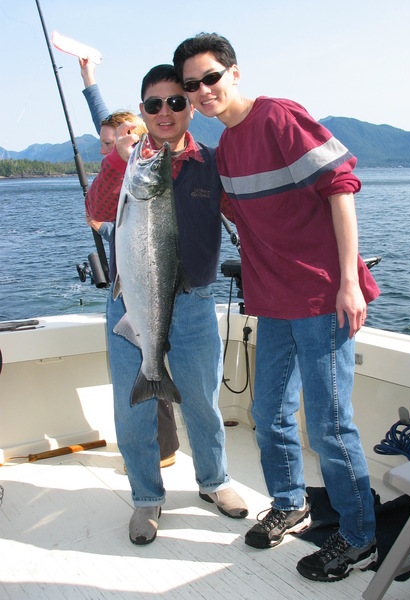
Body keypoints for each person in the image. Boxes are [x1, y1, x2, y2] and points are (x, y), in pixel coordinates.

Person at [173, 34, 380, 582]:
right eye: (192, 85)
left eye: (211, 77)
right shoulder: (224, 150)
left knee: (330, 425)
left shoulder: (278, 117)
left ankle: (360, 537)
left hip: (322, 298)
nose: (203, 90)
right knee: (268, 414)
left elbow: (341, 187)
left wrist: (349, 283)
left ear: (234, 73)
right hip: (273, 303)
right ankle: (290, 503)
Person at [85, 64, 248, 546]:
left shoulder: (211, 163)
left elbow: (246, 215)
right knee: (132, 410)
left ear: (190, 108)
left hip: (195, 301)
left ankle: (214, 481)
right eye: (154, 104)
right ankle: (146, 496)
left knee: (202, 401)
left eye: (176, 101)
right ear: (142, 111)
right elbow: (97, 212)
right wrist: (117, 161)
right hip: (130, 304)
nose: (165, 112)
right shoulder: (128, 164)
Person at [80, 58, 179, 469]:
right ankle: (150, 459)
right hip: (129, 283)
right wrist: (89, 79)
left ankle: (167, 450)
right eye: (104, 144)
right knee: (139, 373)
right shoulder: (122, 160)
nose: (108, 148)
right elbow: (109, 124)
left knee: (154, 362)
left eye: (114, 142)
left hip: (146, 280)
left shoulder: (141, 160)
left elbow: (120, 128)